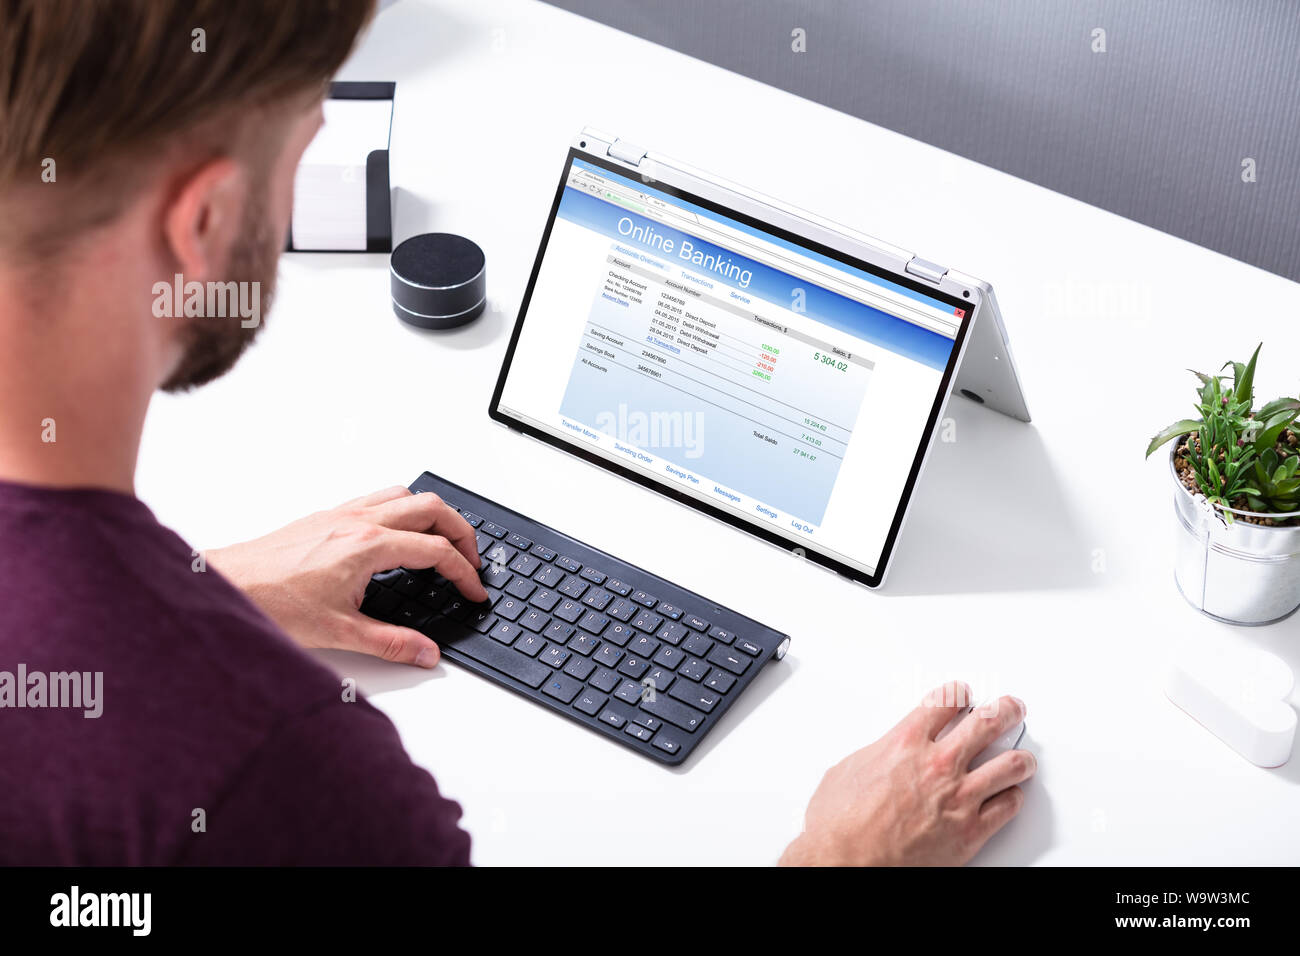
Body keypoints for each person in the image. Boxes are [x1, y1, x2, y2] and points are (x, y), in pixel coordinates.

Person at [0, 0, 1035, 866]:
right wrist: (842, 854)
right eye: (298, 157)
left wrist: (198, 587)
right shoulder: (290, 775)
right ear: (202, 222)